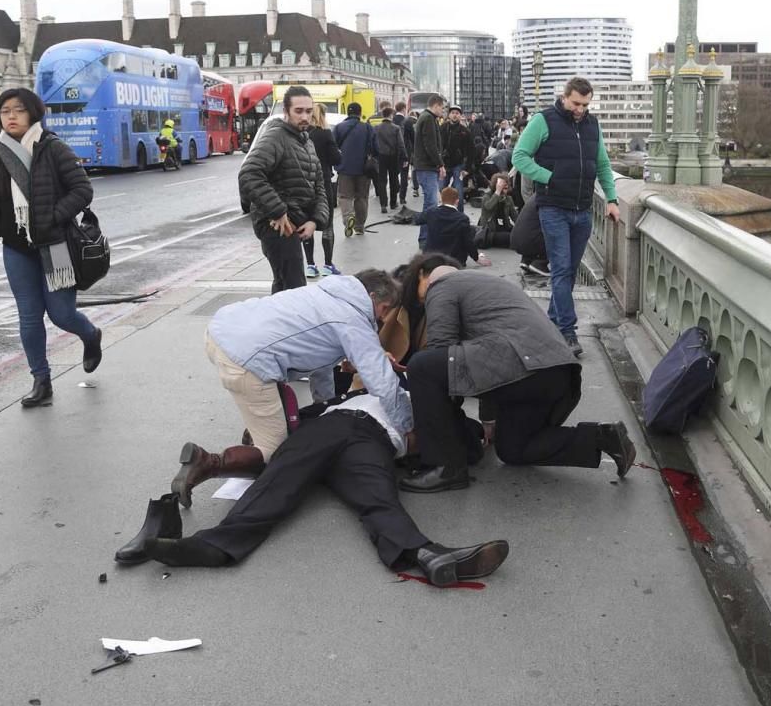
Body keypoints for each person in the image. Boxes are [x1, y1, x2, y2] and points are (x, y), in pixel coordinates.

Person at [123, 390, 509, 586]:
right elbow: (284, 424)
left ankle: (426, 554)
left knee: (377, 499)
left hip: (374, 443)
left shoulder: (428, 402)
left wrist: (477, 435)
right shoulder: (359, 392)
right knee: (280, 481)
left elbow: (468, 441)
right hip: (334, 425)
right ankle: (213, 545)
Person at [171, 269, 412, 505]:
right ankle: (207, 463)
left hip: (222, 331)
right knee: (276, 453)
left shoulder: (329, 292)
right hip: (248, 359)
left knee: (273, 410)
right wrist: (407, 425)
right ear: (371, 297)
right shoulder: (353, 319)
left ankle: (255, 430)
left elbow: (319, 360)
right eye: (384, 309)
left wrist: (323, 408)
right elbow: (383, 382)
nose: (383, 318)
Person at [399, 263, 636, 493]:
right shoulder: (489, 287)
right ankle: (601, 438)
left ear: (425, 275)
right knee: (513, 449)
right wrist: (488, 418)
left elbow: (443, 351)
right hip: (555, 374)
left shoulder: (441, 285)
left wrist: (441, 425)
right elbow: (484, 357)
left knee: (422, 366)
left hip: (525, 366)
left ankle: (446, 468)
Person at [0, 88, 101, 408]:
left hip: (55, 244)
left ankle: (90, 335)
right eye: (5, 111)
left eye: (18, 110)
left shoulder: (53, 148)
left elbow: (82, 190)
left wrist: (53, 217)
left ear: (32, 113)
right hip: (17, 249)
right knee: (29, 317)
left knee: (61, 315)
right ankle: (41, 381)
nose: (11, 116)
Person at [512, 77, 620, 358]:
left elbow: (603, 165)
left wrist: (611, 199)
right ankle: (567, 331)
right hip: (553, 208)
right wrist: (550, 178)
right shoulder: (543, 121)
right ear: (564, 97)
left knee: (569, 272)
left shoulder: (592, 125)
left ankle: (552, 322)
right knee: (560, 269)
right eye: (576, 103)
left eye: (585, 104)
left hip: (583, 210)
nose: (580, 110)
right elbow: (520, 157)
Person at [238, 86, 330, 293]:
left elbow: (319, 186)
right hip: (276, 225)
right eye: (299, 111)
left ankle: (275, 324)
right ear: (286, 112)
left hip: (297, 222)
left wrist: (315, 220)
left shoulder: (307, 141)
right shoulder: (276, 136)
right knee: (294, 288)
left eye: (308, 111)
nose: (305, 116)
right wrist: (277, 211)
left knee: (285, 286)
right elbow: (249, 174)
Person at [303, 103, 342, 277]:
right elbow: (336, 158)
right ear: (323, 116)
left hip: (304, 184)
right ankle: (327, 264)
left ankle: (310, 265)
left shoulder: (302, 135)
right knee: (327, 224)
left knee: (306, 223)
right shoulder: (325, 134)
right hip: (324, 182)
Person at [415, 187, 491, 267]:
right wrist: (477, 258)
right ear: (457, 201)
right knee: (470, 230)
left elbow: (418, 219)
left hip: (431, 258)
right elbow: (468, 242)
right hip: (453, 261)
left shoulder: (431, 212)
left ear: (441, 199)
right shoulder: (462, 218)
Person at [333, 101, 377, 236]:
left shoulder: (339, 128)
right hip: (363, 169)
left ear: (348, 112)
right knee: (362, 197)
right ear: (360, 113)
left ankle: (348, 219)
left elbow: (333, 147)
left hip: (345, 168)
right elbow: (375, 148)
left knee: (345, 197)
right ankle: (359, 226)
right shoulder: (368, 128)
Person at [412, 96, 446, 248]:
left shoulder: (425, 118)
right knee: (431, 203)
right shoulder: (428, 119)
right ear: (436, 105)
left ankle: (426, 237)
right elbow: (430, 145)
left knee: (430, 203)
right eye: (442, 107)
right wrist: (440, 165)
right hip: (427, 167)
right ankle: (425, 239)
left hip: (425, 166)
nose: (443, 110)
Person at [440, 105, 474, 211]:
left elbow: (471, 151)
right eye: (453, 113)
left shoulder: (465, 131)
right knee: (440, 189)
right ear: (449, 115)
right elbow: (437, 146)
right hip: (444, 164)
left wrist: (467, 169)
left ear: (460, 116)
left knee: (458, 191)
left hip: (458, 165)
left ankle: (459, 215)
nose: (455, 115)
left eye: (457, 113)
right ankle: (442, 212)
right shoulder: (442, 128)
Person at [374, 103, 406, 212]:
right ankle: (393, 203)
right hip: (393, 156)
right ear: (391, 115)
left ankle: (383, 204)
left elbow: (373, 143)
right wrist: (405, 157)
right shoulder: (396, 128)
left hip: (381, 157)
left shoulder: (377, 128)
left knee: (382, 180)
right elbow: (401, 144)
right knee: (393, 179)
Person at [477, 174, 518, 248]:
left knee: (520, 235)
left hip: (505, 227)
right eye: (502, 188)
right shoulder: (487, 197)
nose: (505, 191)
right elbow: (488, 206)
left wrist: (522, 227)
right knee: (511, 238)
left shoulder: (508, 199)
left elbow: (515, 216)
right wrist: (498, 192)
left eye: (506, 188)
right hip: (490, 230)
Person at [512, 200, 550, 276]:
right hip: (530, 241)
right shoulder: (549, 197)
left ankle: (527, 261)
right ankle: (540, 263)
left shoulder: (537, 196)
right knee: (558, 235)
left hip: (515, 239)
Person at [393, 106, 410, 206]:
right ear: (404, 109)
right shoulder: (406, 121)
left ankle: (394, 197)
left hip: (393, 153)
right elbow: (412, 138)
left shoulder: (392, 120)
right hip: (405, 152)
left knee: (393, 175)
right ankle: (402, 198)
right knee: (404, 175)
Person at [403, 109, 419, 198]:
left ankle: (403, 191)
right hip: (415, 150)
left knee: (405, 171)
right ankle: (416, 189)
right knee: (414, 169)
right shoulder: (417, 122)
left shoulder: (405, 122)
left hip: (405, 149)